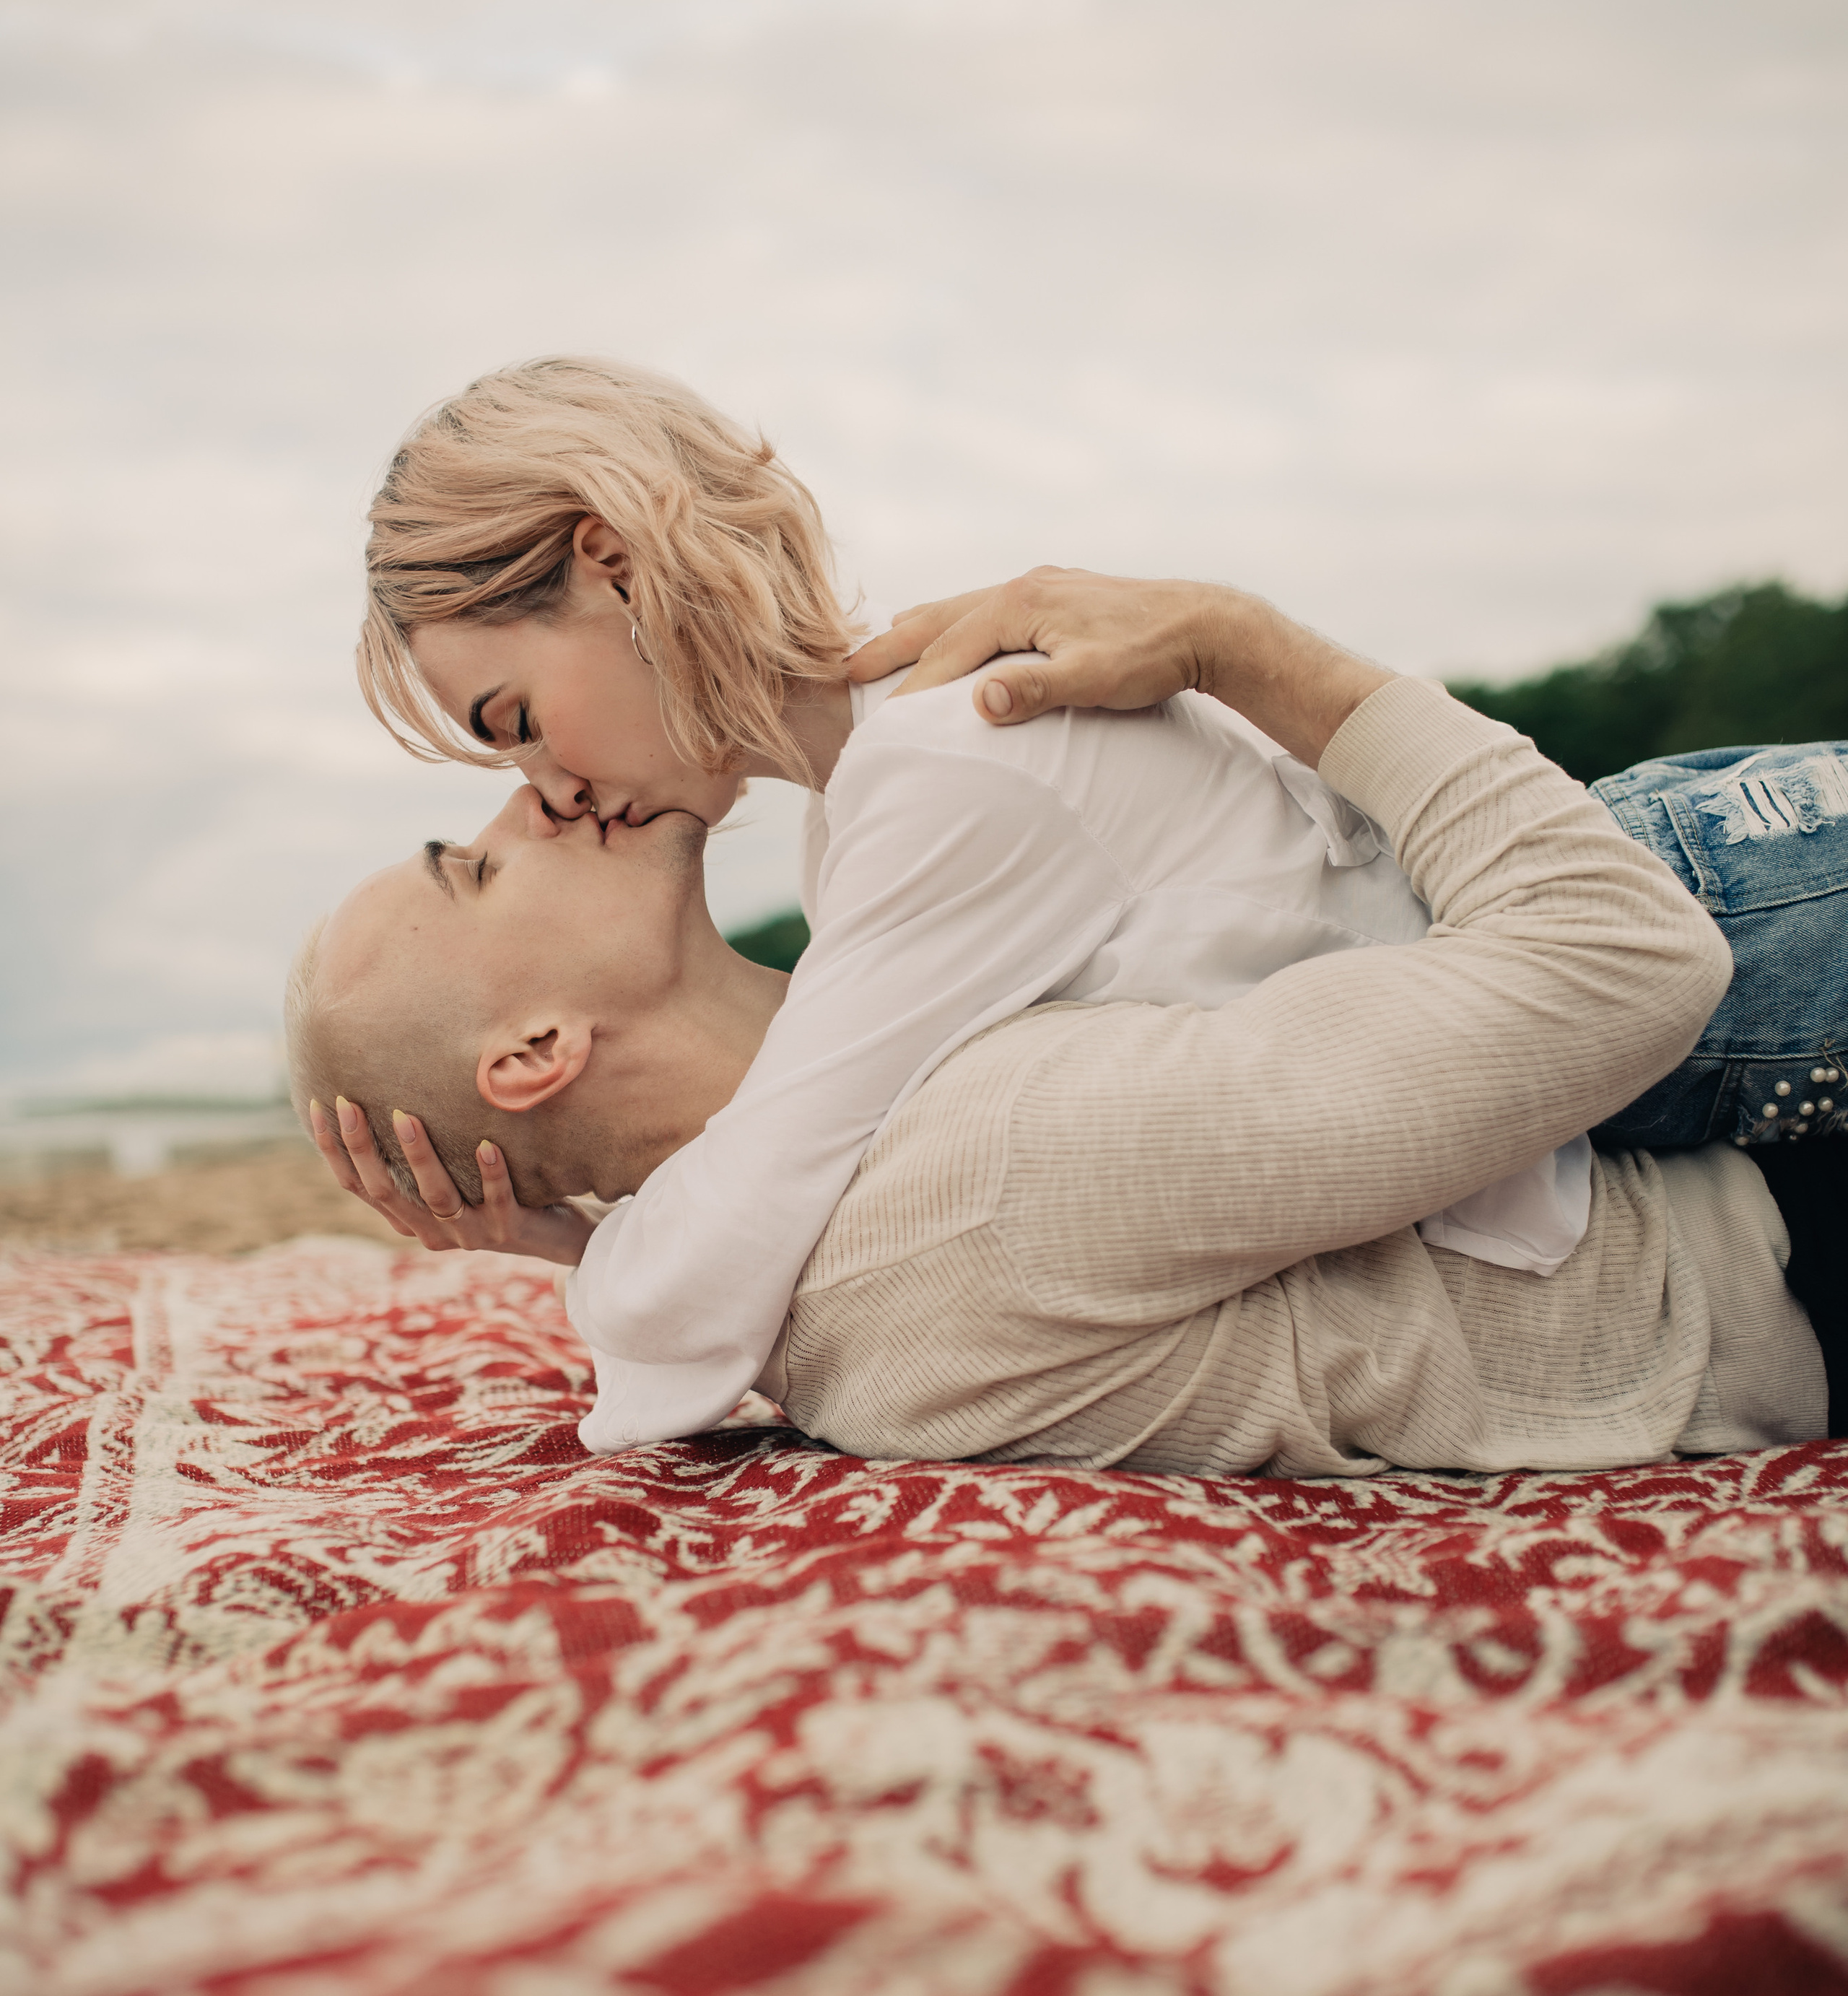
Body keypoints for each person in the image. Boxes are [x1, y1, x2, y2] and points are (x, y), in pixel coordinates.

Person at [319, 357, 1829, 1455]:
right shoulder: (862, 818)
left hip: (1681, 923)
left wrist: (578, 1250)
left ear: (616, 567)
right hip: (1558, 998)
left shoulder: (937, 774)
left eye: (515, 718)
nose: (545, 786)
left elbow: (775, 1173)